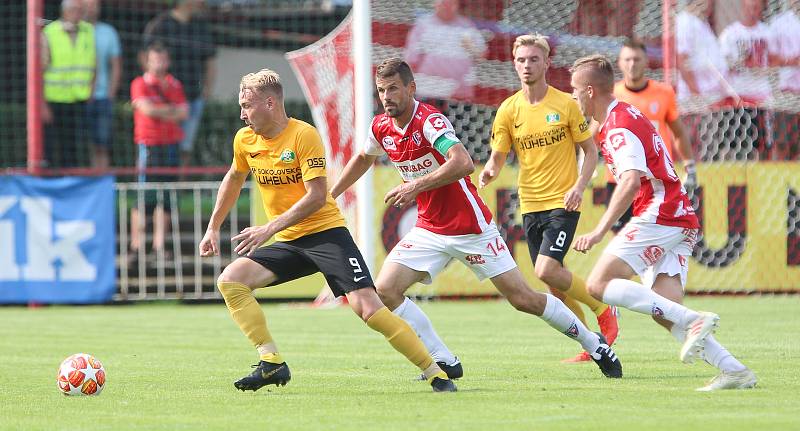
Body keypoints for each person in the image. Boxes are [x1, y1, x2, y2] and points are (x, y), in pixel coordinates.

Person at [330, 57, 622, 380]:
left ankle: (594, 344)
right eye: (382, 90)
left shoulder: (430, 122)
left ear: (411, 88)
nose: (386, 97)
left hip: (471, 228)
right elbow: (362, 158)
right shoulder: (380, 127)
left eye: (394, 89)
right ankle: (443, 359)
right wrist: (331, 196)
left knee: (523, 298)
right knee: (385, 289)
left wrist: (415, 185)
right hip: (429, 228)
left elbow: (463, 162)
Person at [198, 68, 456, 393]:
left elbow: (318, 196)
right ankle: (271, 361)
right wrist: (212, 227)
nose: (242, 113)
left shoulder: (302, 135)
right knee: (231, 281)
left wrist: (268, 229)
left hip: (326, 235)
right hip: (290, 240)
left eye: (247, 105)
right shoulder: (245, 139)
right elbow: (234, 178)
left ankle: (436, 373)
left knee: (369, 309)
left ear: (270, 103)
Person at [569, 54, 757, 391]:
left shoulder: (618, 127)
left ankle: (696, 320)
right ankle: (735, 371)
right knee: (663, 311)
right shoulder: (624, 113)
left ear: (589, 92)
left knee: (597, 285)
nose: (572, 98)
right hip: (679, 215)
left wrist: (599, 231)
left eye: (574, 91)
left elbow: (629, 181)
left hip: (661, 212)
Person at [479, 34, 619, 363]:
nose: (527, 65)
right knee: (555, 285)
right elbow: (498, 156)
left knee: (546, 270)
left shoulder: (565, 104)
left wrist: (579, 186)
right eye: (521, 60)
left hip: (563, 202)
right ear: (514, 64)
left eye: (533, 59)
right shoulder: (508, 110)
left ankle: (602, 306)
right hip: (530, 205)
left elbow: (590, 150)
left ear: (546, 62)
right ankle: (591, 344)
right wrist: (489, 171)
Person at [614, 38, 698, 194]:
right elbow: (594, 134)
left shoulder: (664, 93)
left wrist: (690, 167)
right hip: (621, 179)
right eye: (627, 59)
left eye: (637, 59)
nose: (632, 64)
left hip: (657, 178)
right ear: (619, 62)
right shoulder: (612, 96)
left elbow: (678, 133)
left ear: (646, 61)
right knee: (621, 219)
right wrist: (583, 164)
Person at [130, 44, 187, 260]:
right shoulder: (139, 83)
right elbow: (147, 110)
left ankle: (159, 246)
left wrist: (159, 111)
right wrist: (169, 110)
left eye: (163, 59)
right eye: (155, 59)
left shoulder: (174, 84)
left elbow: (183, 113)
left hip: (171, 144)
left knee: (168, 197)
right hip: (149, 145)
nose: (159, 64)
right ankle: (136, 245)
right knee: (143, 197)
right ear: (147, 61)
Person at [143, 0, 216, 168]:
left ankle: (179, 186)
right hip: (164, 100)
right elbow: (144, 56)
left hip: (192, 97)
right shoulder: (159, 25)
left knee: (185, 147)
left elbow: (210, 61)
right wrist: (155, 85)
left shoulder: (201, 26)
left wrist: (207, 89)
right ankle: (158, 187)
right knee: (160, 145)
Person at [41, 0, 95, 168]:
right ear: (64, 11)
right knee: (50, 146)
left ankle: (71, 183)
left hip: (79, 98)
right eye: (74, 10)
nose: (78, 14)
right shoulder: (50, 32)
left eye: (80, 10)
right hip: (54, 98)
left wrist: (91, 91)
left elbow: (93, 64)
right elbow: (39, 70)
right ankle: (49, 183)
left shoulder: (88, 30)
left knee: (73, 147)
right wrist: (42, 103)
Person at [403, 0, 487, 100]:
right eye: (443, 3)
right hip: (426, 90)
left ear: (457, 5)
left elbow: (483, 54)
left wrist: (471, 47)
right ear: (435, 4)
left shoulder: (466, 26)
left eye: (451, 3)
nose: (446, 7)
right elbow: (411, 58)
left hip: (458, 93)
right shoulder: (423, 25)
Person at [84, 0, 121, 169]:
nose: (91, 9)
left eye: (94, 5)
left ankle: (101, 185)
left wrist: (110, 94)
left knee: (102, 145)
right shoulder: (72, 31)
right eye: (87, 4)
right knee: (84, 145)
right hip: (76, 97)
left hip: (102, 97)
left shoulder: (108, 32)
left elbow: (116, 65)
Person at [718, 0, 775, 105]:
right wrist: (741, 62)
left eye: (756, 8)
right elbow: (722, 64)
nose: (752, 12)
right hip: (738, 91)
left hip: (761, 92)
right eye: (749, 7)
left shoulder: (767, 32)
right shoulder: (730, 33)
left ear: (762, 9)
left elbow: (774, 61)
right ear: (743, 7)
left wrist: (764, 69)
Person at [675, 0, 730, 103]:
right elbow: (682, 60)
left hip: (709, 98)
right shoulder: (686, 21)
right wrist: (696, 95)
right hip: (695, 100)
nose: (711, 3)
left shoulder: (700, 21)